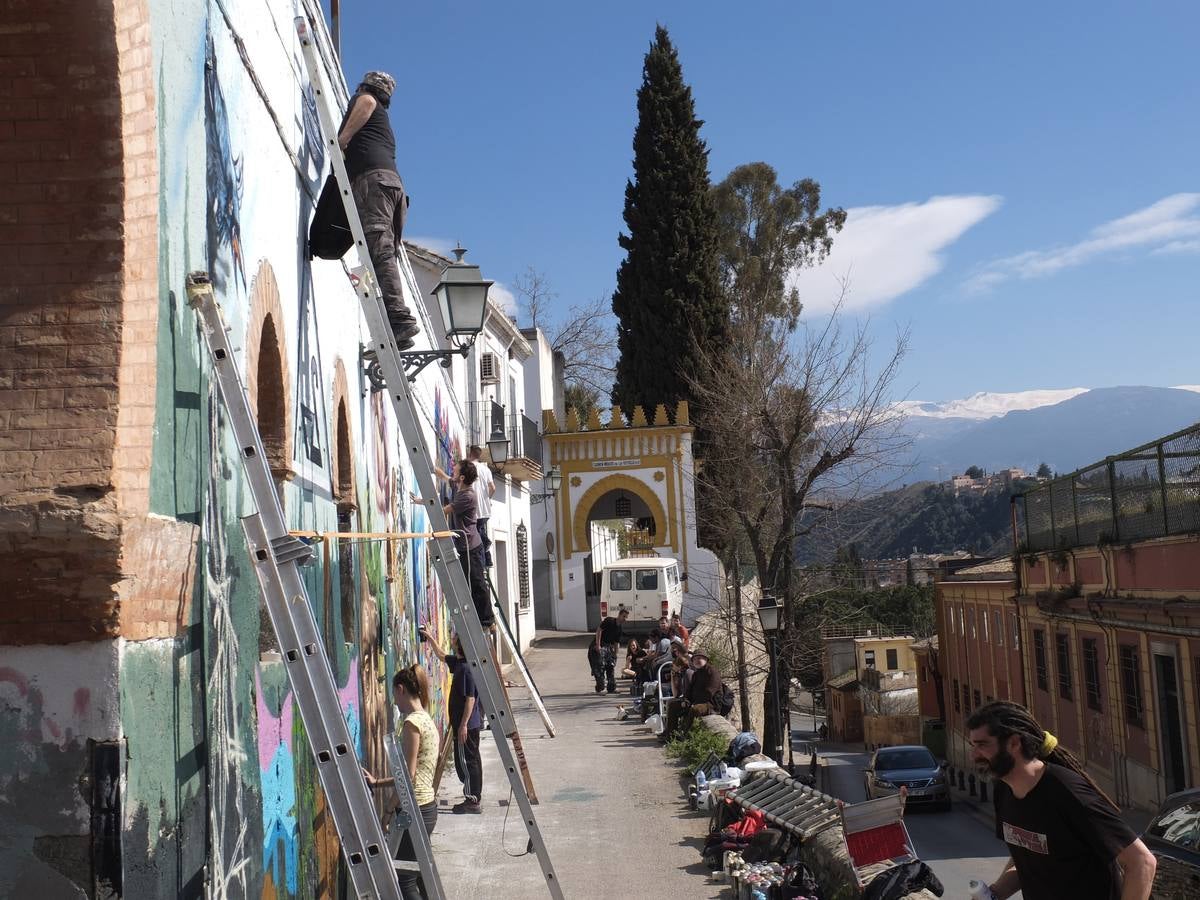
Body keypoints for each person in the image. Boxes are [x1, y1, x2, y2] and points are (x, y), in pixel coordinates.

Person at [966, 700, 1156, 900]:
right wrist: (994, 893)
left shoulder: (1067, 791)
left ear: (1014, 743)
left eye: (982, 745)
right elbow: (1027, 859)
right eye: (973, 746)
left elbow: (1142, 862)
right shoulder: (1003, 790)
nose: (973, 755)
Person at [335, 72, 419, 349]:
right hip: (392, 187)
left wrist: (343, 139)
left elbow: (366, 102)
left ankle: (399, 318)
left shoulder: (366, 100)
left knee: (380, 249)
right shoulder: (385, 122)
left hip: (375, 182)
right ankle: (396, 321)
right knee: (386, 254)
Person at [363, 665, 438, 898]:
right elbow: (409, 772)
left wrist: (388, 809)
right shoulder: (426, 718)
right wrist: (377, 783)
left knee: (405, 878)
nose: (393, 701)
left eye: (394, 694)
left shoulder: (412, 724)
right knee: (421, 873)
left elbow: (408, 775)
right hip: (426, 807)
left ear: (401, 689)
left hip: (413, 809)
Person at [422, 629, 483, 814]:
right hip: (466, 725)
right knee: (469, 761)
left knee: (466, 762)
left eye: (455, 638)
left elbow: (470, 699)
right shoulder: (459, 663)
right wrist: (429, 637)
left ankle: (472, 800)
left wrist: (463, 724)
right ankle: (473, 797)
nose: (452, 639)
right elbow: (441, 655)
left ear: (459, 644)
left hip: (467, 726)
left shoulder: (465, 669)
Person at [434, 460, 493, 630]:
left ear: (461, 477)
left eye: (456, 469)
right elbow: (445, 477)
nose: (452, 470)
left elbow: (444, 510)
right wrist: (432, 467)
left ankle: (487, 621)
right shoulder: (460, 487)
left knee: (477, 583)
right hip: (463, 545)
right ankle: (482, 619)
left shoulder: (467, 496)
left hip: (470, 547)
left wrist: (424, 501)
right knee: (469, 583)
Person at [466, 445, 496, 567]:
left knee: (477, 537)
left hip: (473, 509)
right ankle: (487, 559)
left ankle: (482, 563)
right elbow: (493, 488)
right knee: (480, 531)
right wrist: (487, 498)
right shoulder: (486, 469)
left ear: (470, 453)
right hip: (485, 509)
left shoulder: (467, 468)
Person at [681, 649, 723, 731]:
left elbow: (709, 692)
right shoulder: (696, 674)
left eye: (700, 658)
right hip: (696, 701)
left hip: (710, 704)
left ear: (706, 660)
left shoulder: (712, 672)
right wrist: (685, 700)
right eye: (695, 659)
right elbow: (689, 690)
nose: (697, 661)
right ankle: (669, 734)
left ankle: (686, 735)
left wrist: (694, 703)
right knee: (673, 704)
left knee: (695, 709)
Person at [593, 607, 628, 694]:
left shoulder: (619, 629)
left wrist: (615, 655)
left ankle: (611, 688)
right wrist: (598, 645)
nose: (625, 619)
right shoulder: (609, 621)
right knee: (600, 668)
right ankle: (599, 686)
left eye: (626, 617)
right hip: (599, 644)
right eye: (624, 616)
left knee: (610, 666)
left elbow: (616, 643)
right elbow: (599, 630)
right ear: (619, 615)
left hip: (608, 647)